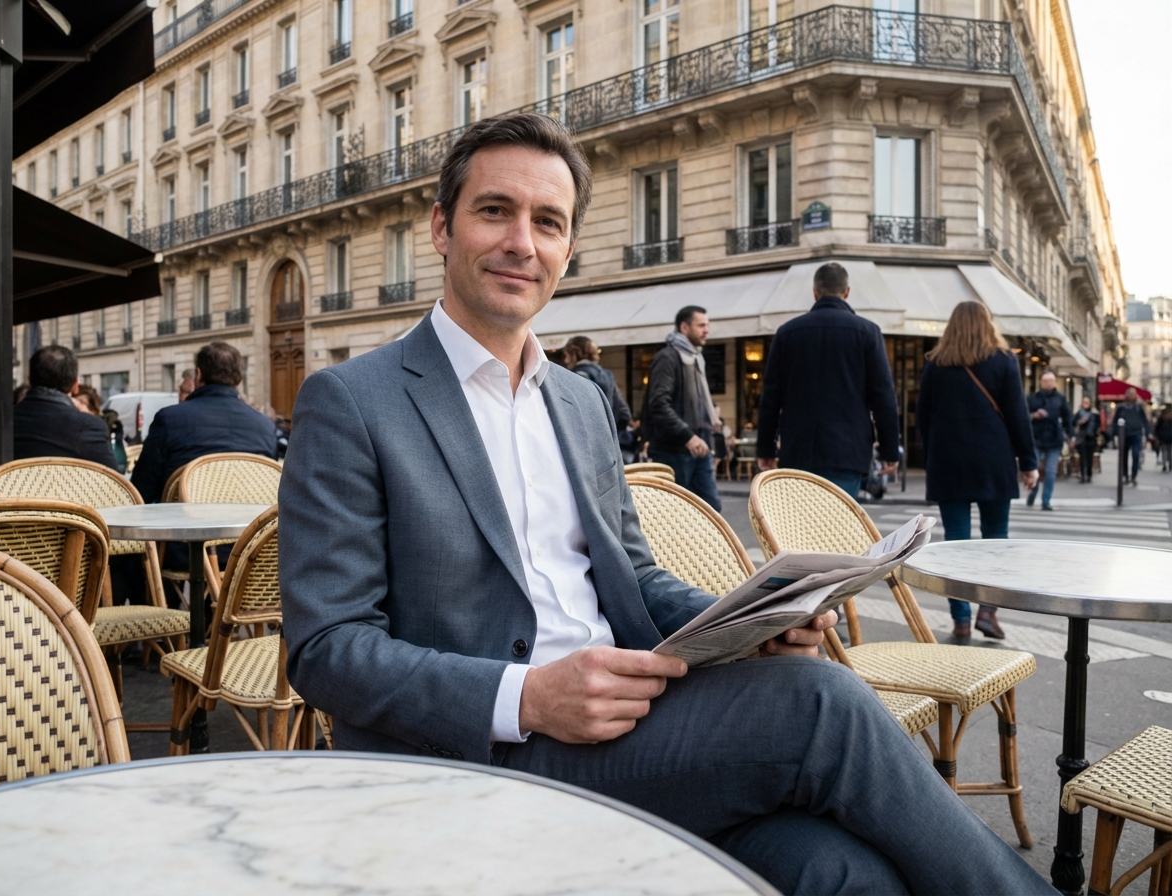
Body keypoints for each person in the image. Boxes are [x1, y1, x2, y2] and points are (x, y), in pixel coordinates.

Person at [278, 113, 1053, 896]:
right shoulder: (353, 400)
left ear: (568, 250)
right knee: (820, 705)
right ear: (441, 227)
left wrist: (747, 624)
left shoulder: (578, 402)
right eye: (494, 210)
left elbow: (634, 577)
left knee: (842, 871)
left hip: (632, 732)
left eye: (547, 222)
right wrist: (528, 698)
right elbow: (327, 648)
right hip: (477, 756)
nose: (522, 242)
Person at [915, 301, 1039, 642]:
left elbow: (922, 416)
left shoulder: (936, 363)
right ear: (988, 324)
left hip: (948, 462)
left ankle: (961, 621)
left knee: (955, 544)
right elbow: (1017, 415)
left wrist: (932, 452)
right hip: (993, 460)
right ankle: (987, 610)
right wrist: (1028, 463)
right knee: (995, 539)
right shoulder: (1003, 360)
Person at [755, 263, 900, 499]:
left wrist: (766, 448)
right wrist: (889, 450)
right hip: (848, 450)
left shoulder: (787, 333)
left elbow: (771, 397)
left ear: (815, 291)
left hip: (799, 449)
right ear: (847, 292)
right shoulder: (867, 332)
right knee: (839, 519)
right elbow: (883, 397)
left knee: (800, 519)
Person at [131, 341, 278, 506]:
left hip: (182, 520)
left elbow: (140, 491)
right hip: (249, 522)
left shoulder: (169, 419)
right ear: (239, 380)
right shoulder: (266, 426)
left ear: (198, 374)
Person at [641, 306, 723, 510]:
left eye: (707, 325)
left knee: (711, 510)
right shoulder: (668, 357)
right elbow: (658, 404)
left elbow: (695, 398)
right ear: (684, 327)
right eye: (701, 325)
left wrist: (712, 409)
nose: (706, 330)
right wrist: (688, 436)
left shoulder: (697, 358)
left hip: (700, 444)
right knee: (676, 513)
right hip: (674, 450)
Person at [13, 345, 122, 471]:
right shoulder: (87, 427)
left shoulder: (3, 423)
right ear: (75, 386)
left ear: (29, 379)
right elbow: (112, 479)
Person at [562, 335, 634, 462]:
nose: (565, 361)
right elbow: (624, 413)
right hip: (609, 449)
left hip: (586, 451)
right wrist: (612, 434)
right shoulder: (608, 375)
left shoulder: (576, 377)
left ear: (575, 354)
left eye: (567, 355)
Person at [1025, 371, 1071, 510]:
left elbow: (1067, 418)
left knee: (1050, 472)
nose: (1048, 383)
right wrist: (1034, 415)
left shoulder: (1060, 398)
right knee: (1034, 470)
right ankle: (1033, 492)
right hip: (1036, 438)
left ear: (1055, 382)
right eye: (1046, 381)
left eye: (1051, 381)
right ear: (1041, 382)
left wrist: (1071, 435)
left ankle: (1046, 501)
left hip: (1054, 439)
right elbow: (1023, 414)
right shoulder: (1033, 398)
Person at [1111, 387, 1151, 486]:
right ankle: (1125, 475)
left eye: (1133, 394)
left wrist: (1148, 433)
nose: (1131, 396)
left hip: (1136, 433)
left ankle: (1133, 476)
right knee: (1123, 456)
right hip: (1123, 434)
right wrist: (1114, 433)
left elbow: (1145, 421)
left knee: (1136, 454)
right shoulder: (1121, 407)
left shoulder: (1138, 407)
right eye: (1129, 394)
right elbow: (1115, 421)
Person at [1070, 396, 1100, 483]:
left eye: (1087, 402)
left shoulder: (1094, 414)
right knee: (1082, 457)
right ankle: (1083, 475)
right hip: (1081, 437)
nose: (1085, 404)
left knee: (1089, 457)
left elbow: (1098, 425)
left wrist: (1094, 432)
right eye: (1084, 402)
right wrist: (1079, 422)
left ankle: (1089, 475)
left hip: (1090, 438)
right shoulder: (1078, 414)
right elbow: (1072, 423)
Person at [1155, 405, 1172, 473]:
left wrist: (1157, 436)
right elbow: (1157, 429)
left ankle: (1166, 464)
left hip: (1164, 437)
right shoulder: (1162, 420)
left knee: (1165, 451)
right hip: (1166, 438)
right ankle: (1168, 464)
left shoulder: (1161, 420)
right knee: (1168, 451)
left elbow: (1157, 429)